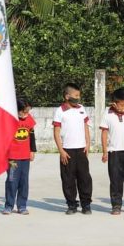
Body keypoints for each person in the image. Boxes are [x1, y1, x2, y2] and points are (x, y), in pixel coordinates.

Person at [52, 83, 92, 215]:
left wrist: (88, 143)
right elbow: (56, 132)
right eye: (76, 95)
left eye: (79, 95)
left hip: (81, 150)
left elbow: (85, 126)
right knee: (68, 179)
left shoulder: (81, 108)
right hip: (67, 151)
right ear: (67, 96)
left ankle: (86, 204)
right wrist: (61, 151)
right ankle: (71, 204)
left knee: (85, 178)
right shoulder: (60, 111)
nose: (78, 98)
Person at [4, 98, 36, 215]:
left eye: (28, 111)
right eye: (24, 111)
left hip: (25, 157)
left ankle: (22, 206)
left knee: (24, 181)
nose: (26, 113)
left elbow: (32, 135)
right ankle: (9, 205)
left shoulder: (29, 119)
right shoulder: (9, 119)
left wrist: (32, 150)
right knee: (12, 181)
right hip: (12, 157)